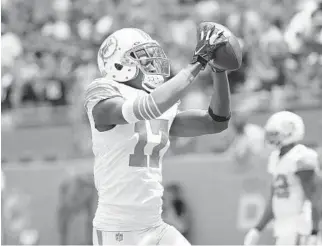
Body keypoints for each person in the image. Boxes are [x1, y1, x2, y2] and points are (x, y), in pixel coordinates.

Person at [84, 23, 235, 245]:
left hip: (155, 225)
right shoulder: (103, 93)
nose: (152, 63)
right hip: (118, 230)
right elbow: (147, 107)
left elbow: (215, 122)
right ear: (118, 64)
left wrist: (219, 71)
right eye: (142, 57)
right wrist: (197, 63)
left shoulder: (159, 100)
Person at [244, 111, 321, 245]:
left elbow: (315, 198)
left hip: (301, 225)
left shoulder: (300, 157)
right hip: (284, 226)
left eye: (275, 134)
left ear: (290, 132)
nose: (271, 138)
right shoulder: (275, 158)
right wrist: (257, 228)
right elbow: (275, 200)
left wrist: (314, 231)